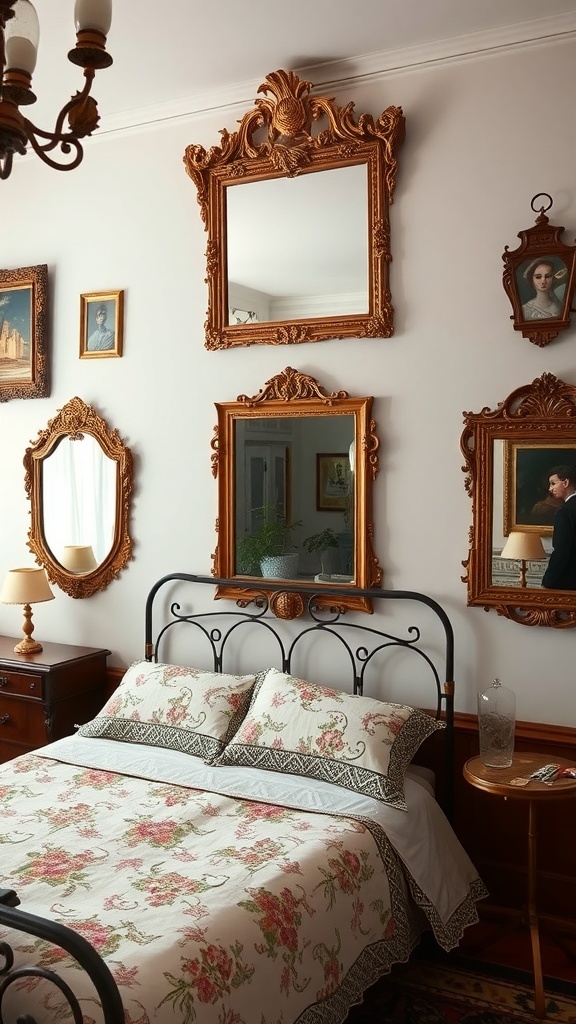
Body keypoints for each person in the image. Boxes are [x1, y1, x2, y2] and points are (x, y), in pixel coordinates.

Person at [541, 465, 576, 589]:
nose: (550, 489)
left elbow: (562, 551)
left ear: (565, 482)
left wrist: (548, 582)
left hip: (569, 583)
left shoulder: (564, 512)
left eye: (553, 483)